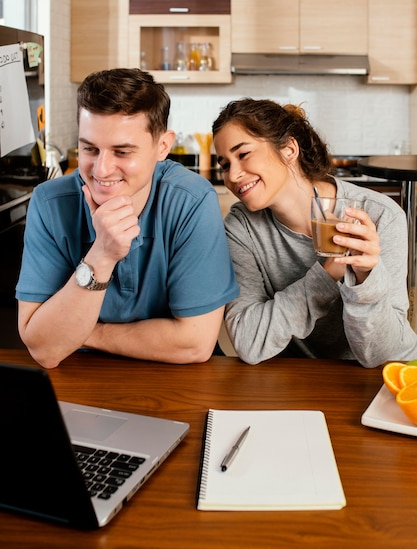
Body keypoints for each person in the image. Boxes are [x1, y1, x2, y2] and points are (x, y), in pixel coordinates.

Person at [16, 68, 238, 368]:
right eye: (90, 148)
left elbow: (196, 344)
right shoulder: (48, 203)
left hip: (174, 377)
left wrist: (79, 334)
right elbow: (44, 350)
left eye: (122, 152)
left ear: (162, 146)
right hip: (77, 372)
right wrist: (103, 255)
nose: (101, 170)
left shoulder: (192, 200)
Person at [212, 97, 417, 367]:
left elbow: (380, 356)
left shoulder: (380, 215)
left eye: (243, 154)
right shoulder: (241, 228)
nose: (233, 175)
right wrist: (326, 275)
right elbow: (249, 342)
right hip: (294, 380)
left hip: (381, 382)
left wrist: (366, 279)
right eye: (225, 164)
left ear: (288, 149)